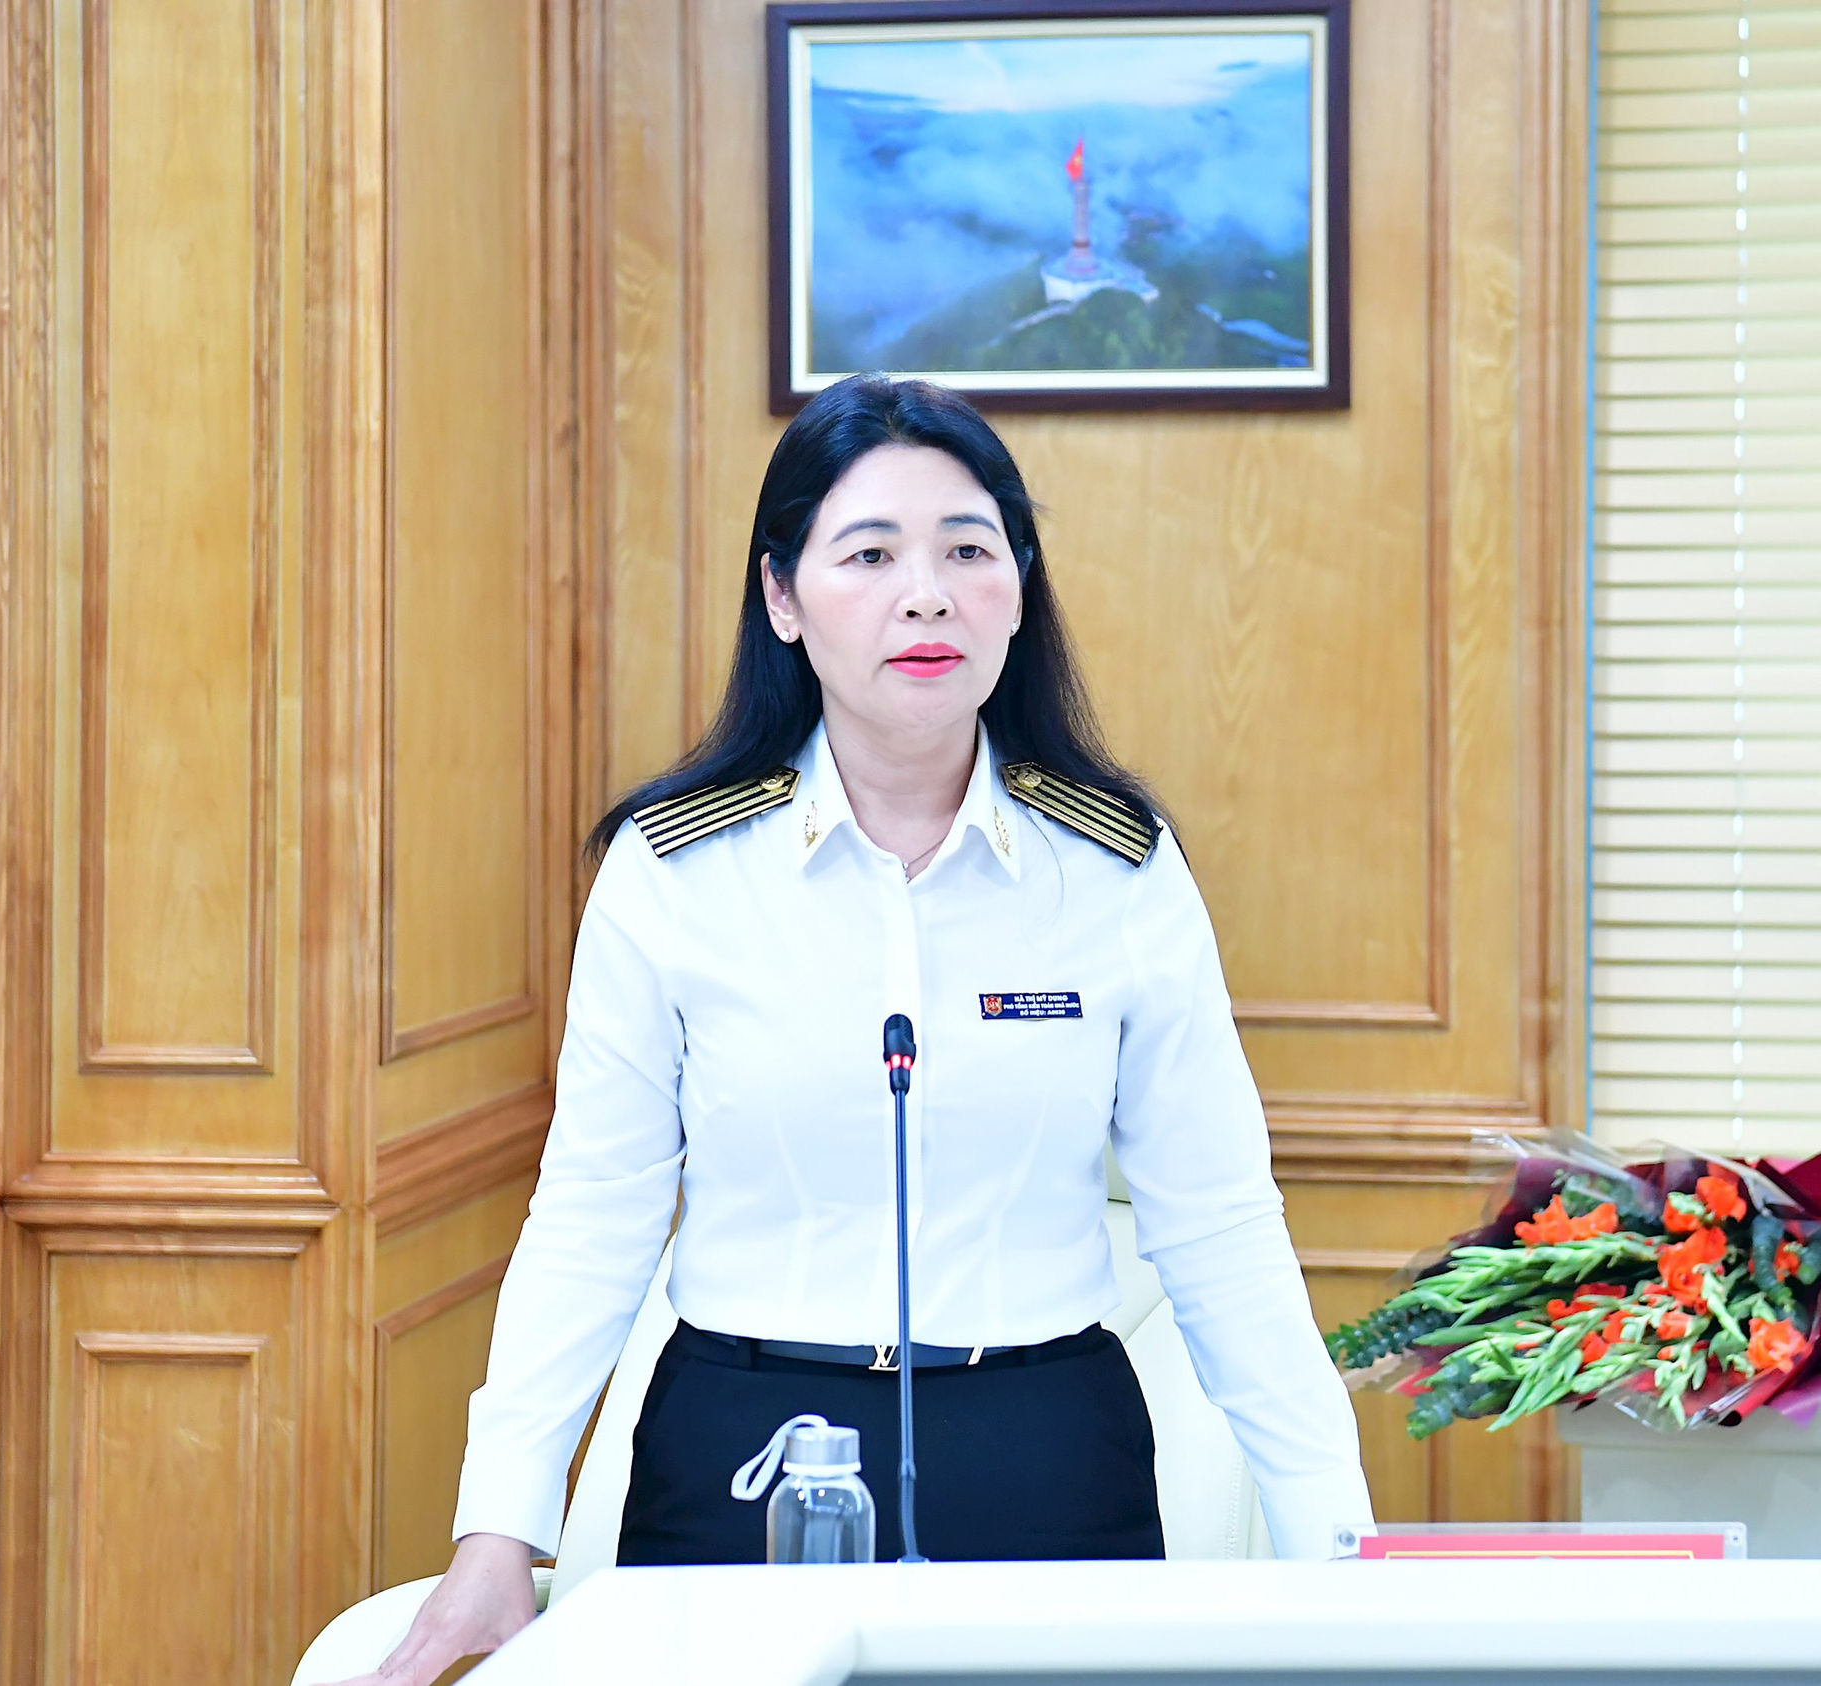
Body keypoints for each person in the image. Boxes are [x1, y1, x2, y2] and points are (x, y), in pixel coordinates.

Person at [331, 374, 1372, 1684]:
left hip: (1046, 1456)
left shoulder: (1114, 870)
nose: (925, 595)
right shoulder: (676, 870)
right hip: (746, 1445)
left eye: (969, 551)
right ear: (783, 596)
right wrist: (499, 1531)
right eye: (870, 554)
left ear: (1019, 590)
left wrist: (1341, 1550)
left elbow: (1218, 1223)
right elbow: (595, 1210)